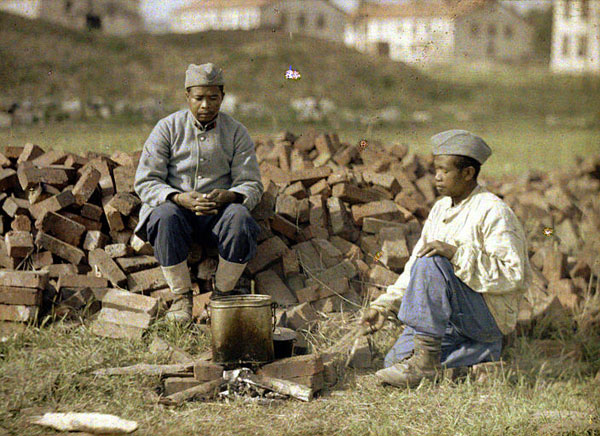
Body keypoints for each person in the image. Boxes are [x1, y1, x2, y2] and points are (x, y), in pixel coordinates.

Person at [360, 129, 532, 388]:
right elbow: (413, 270)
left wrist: (456, 253)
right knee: (394, 361)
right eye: (435, 169)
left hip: (486, 314)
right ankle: (479, 356)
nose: (437, 177)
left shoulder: (493, 210)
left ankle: (427, 365)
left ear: (468, 173)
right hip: (452, 317)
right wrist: (384, 306)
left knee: (434, 261)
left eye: (445, 171)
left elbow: (512, 274)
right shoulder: (441, 208)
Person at [134, 63, 263, 323]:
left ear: (222, 97)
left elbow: (251, 183)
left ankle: (223, 296)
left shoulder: (236, 132)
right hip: (179, 213)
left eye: (213, 98)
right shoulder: (167, 128)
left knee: (240, 217)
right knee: (163, 216)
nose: (205, 105)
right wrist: (178, 198)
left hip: (218, 216)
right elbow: (146, 181)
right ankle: (181, 298)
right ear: (187, 97)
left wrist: (228, 196)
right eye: (199, 98)